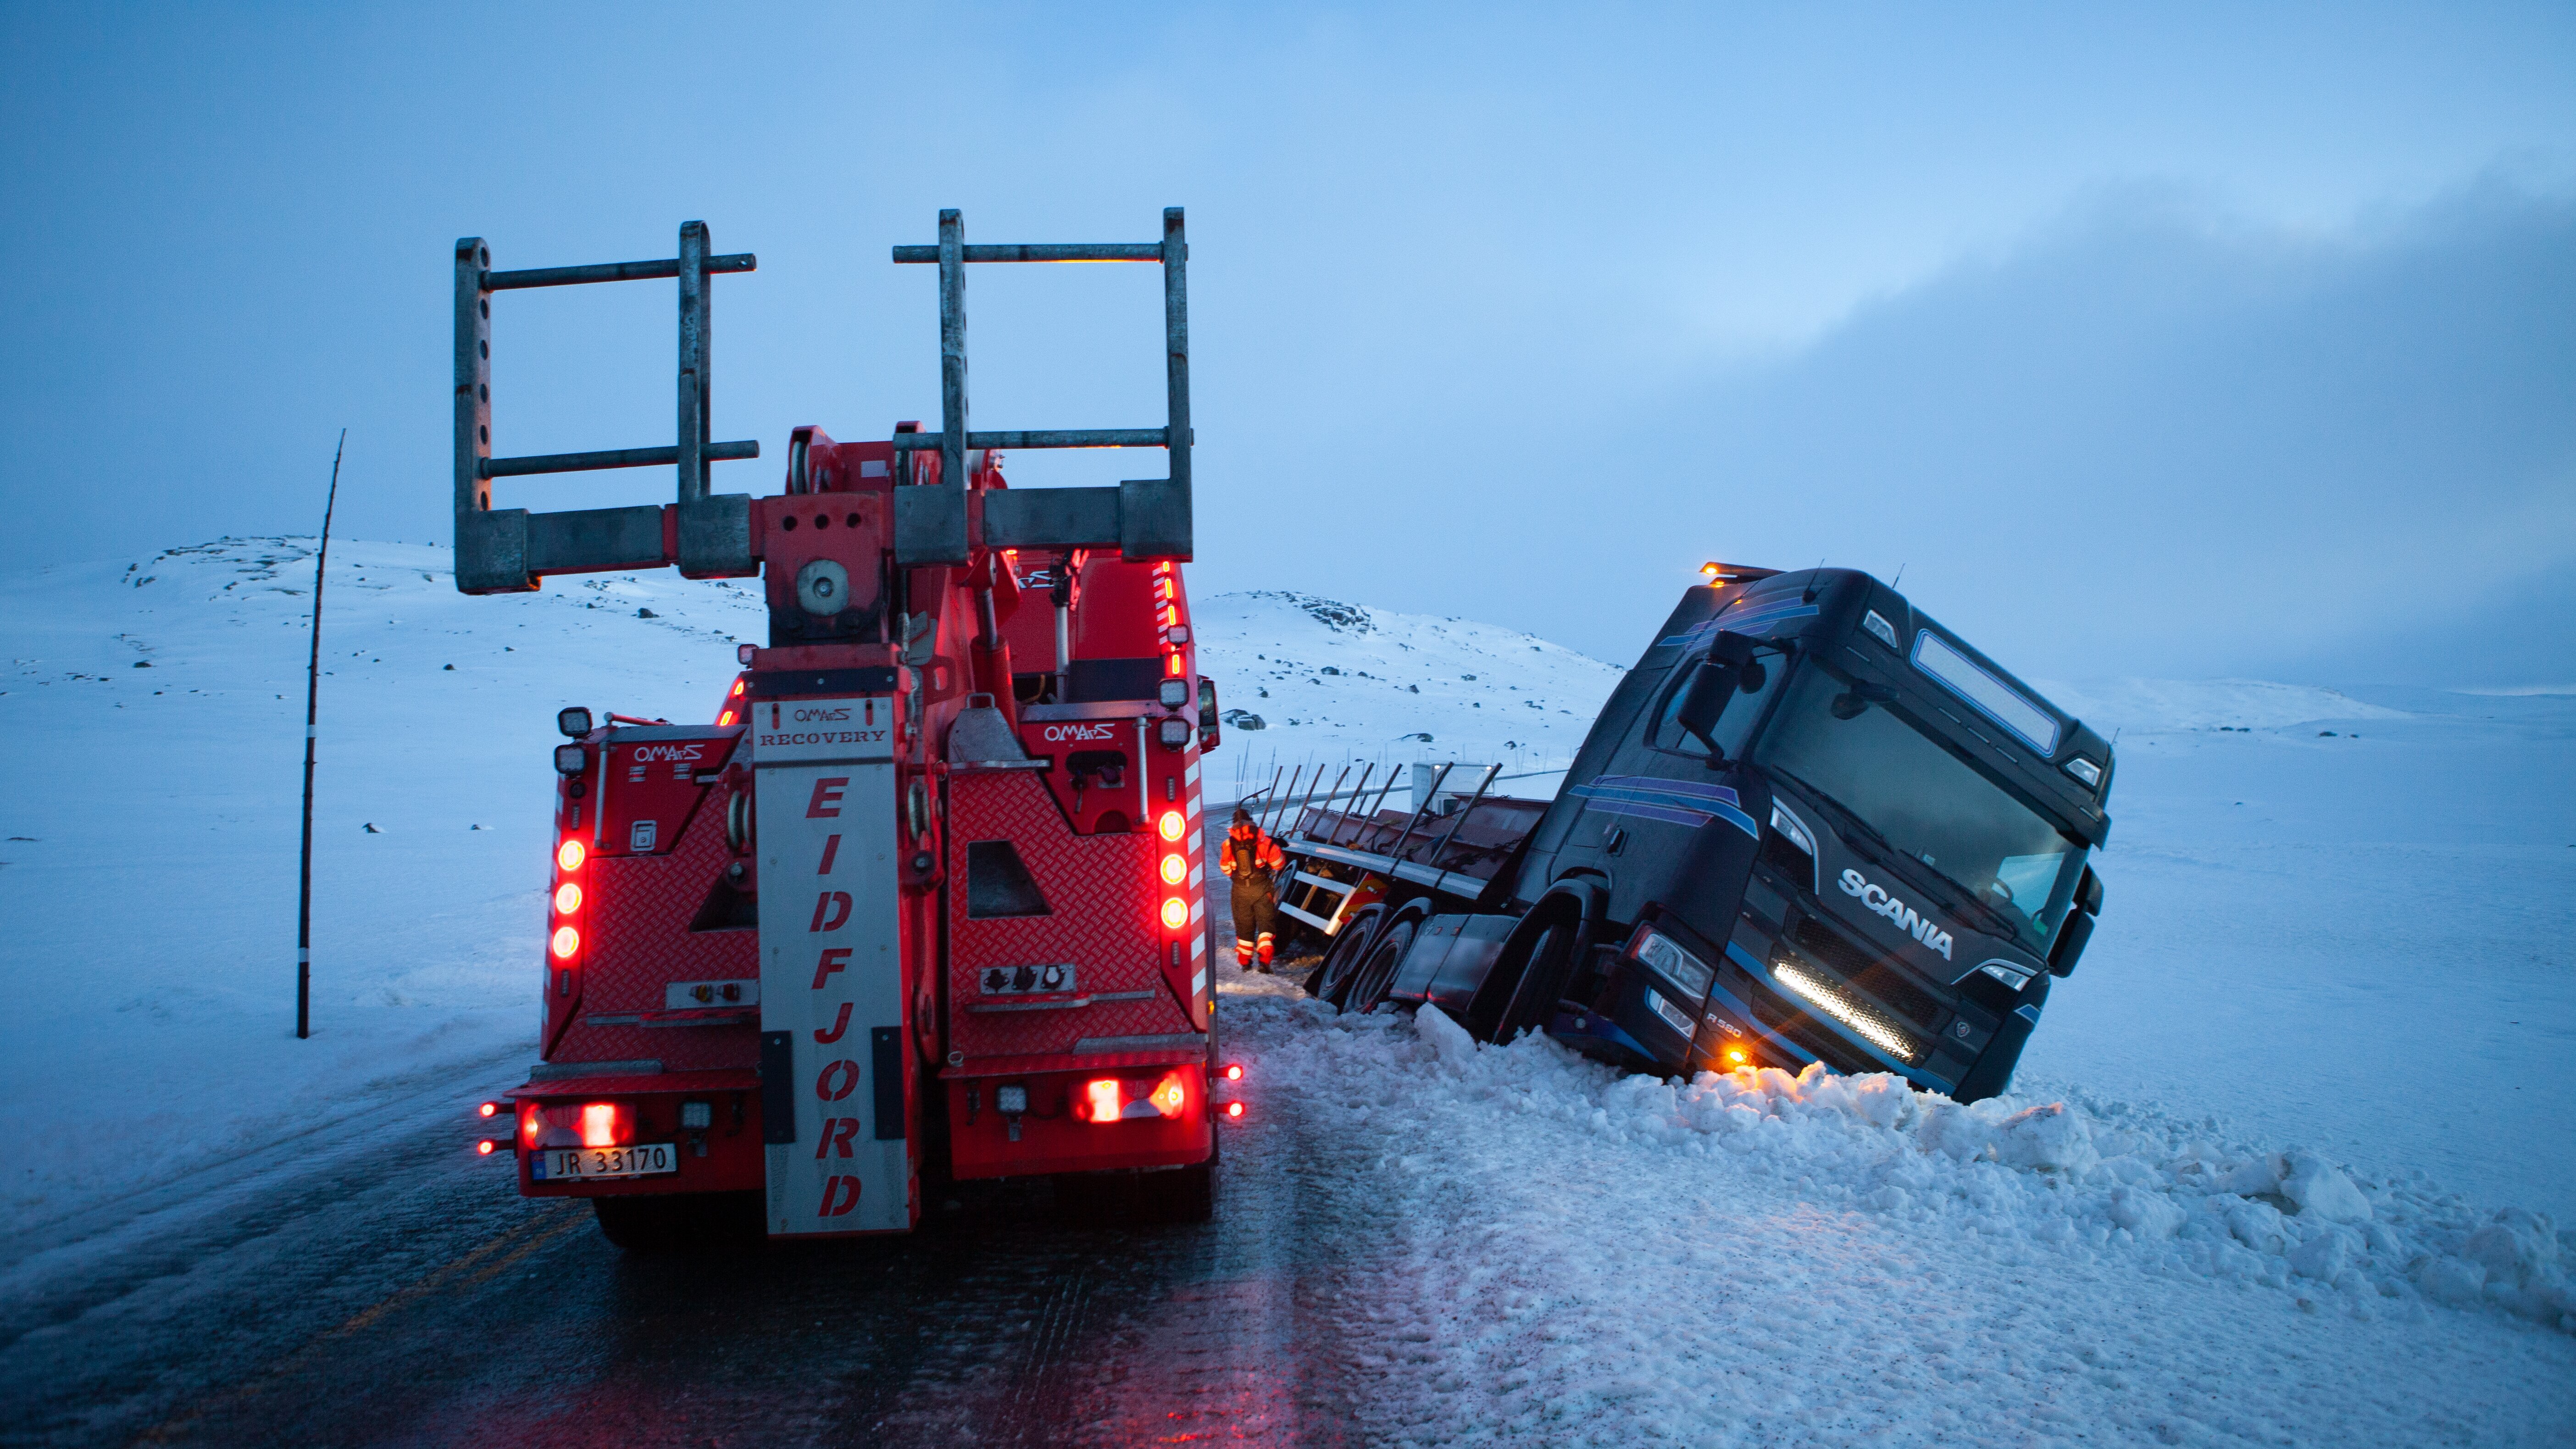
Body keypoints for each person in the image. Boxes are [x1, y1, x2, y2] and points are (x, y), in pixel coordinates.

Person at [1218, 807, 1287, 971]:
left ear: (1234, 824)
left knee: (1244, 926)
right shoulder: (1264, 840)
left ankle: (1245, 964)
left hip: (1240, 890)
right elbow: (1279, 864)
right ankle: (1265, 963)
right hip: (1262, 888)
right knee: (1266, 926)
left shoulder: (1228, 844)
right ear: (1251, 821)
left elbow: (1225, 869)